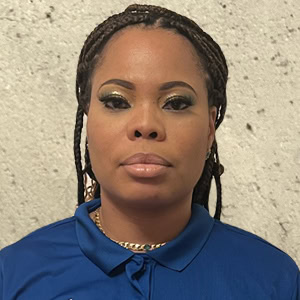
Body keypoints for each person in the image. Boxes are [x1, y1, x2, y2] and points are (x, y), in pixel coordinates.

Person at [0, 4, 299, 299]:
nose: (145, 125)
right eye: (117, 101)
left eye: (176, 103)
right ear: (88, 123)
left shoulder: (275, 280)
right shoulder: (13, 274)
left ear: (210, 129)